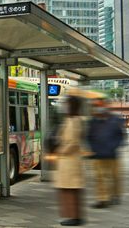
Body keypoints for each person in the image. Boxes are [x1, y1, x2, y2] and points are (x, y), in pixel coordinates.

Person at [86, 99, 125, 208]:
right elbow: (89, 137)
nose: (97, 108)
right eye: (95, 106)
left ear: (106, 107)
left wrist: (113, 147)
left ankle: (115, 195)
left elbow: (121, 136)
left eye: (100, 106)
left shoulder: (115, 120)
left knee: (115, 177)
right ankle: (102, 199)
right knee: (100, 178)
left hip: (112, 155)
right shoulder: (92, 121)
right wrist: (93, 148)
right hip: (98, 155)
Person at [54, 95, 86, 226]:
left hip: (69, 161)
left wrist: (60, 150)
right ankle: (73, 216)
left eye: (67, 104)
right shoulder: (72, 120)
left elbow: (73, 142)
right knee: (69, 190)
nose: (64, 106)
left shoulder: (74, 121)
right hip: (69, 161)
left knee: (70, 190)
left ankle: (73, 217)